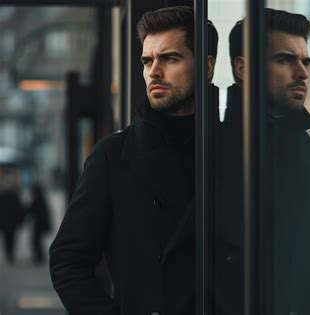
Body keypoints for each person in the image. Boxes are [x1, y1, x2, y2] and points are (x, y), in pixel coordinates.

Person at [49, 6, 217, 315]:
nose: (154, 71)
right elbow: (67, 260)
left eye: (170, 58)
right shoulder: (113, 156)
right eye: (147, 60)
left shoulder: (235, 151)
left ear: (206, 67)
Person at [214, 8, 310, 315]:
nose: (302, 72)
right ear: (243, 69)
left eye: (305, 61)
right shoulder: (209, 149)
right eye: (285, 60)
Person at [0, 182, 25, 264]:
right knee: (12, 239)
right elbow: (20, 210)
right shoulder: (15, 198)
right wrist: (20, 221)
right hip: (13, 223)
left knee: (7, 239)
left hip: (4, 223)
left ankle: (8, 254)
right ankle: (11, 254)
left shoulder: (2, 198)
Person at [28, 181, 51, 264]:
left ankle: (39, 256)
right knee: (38, 241)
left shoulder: (37, 199)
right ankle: (39, 256)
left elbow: (30, 210)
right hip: (41, 224)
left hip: (38, 225)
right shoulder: (41, 198)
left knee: (36, 241)